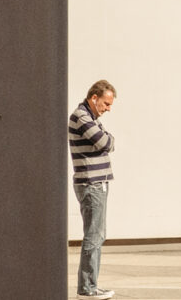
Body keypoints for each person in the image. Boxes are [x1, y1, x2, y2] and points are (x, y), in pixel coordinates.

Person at [69, 79, 117, 299]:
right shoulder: (82, 117)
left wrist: (108, 139)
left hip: (97, 183)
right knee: (93, 236)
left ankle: (90, 285)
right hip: (91, 183)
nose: (108, 109)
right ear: (94, 97)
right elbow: (104, 143)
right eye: (106, 104)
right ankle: (87, 288)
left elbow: (109, 141)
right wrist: (107, 140)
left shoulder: (92, 117)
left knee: (97, 235)